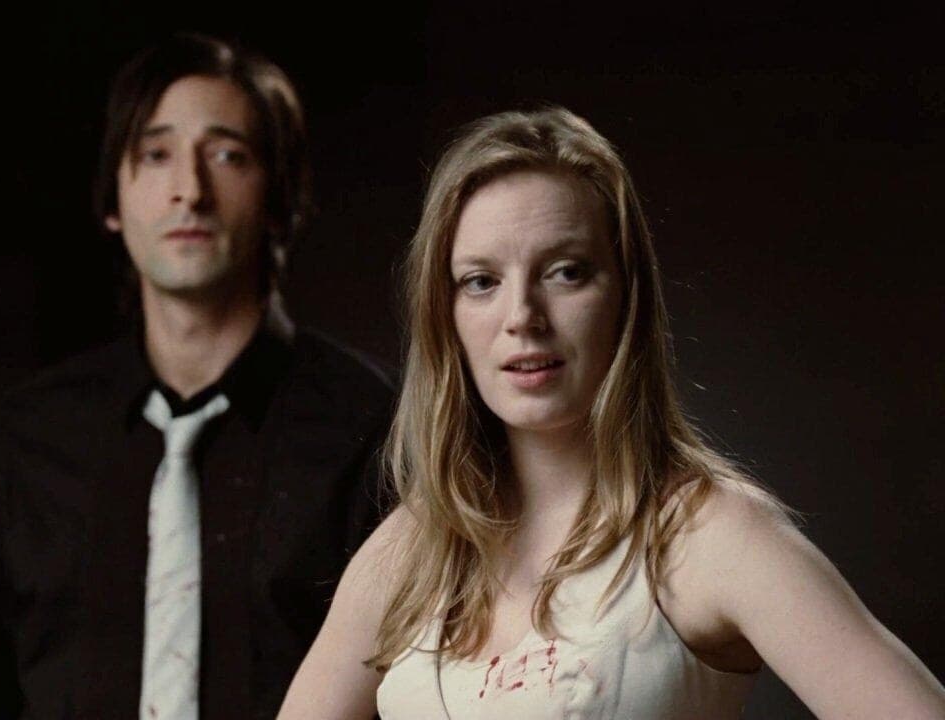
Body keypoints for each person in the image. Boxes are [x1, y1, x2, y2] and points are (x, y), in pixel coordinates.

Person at [277, 107, 945, 719]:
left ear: (626, 294)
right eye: (481, 281)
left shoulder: (707, 534)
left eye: (566, 272)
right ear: (443, 313)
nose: (522, 317)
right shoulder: (410, 551)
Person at [0, 33, 393, 719]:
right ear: (113, 197)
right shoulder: (24, 440)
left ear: (281, 196)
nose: (189, 191)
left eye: (227, 155)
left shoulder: (374, 429)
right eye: (155, 155)